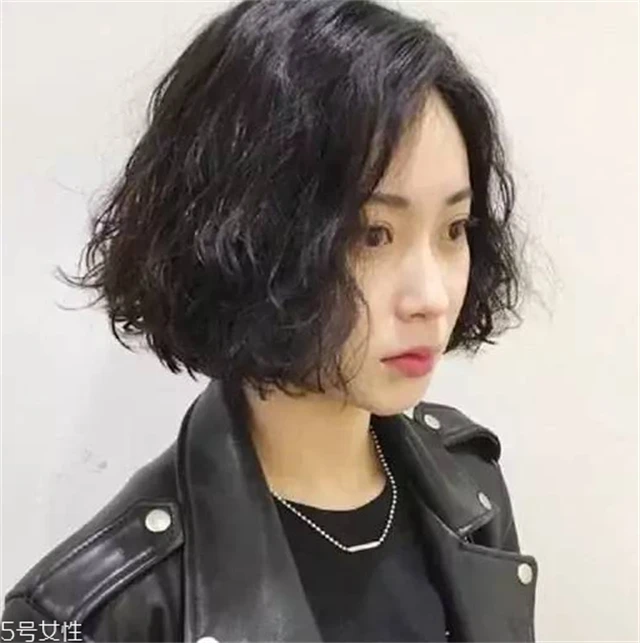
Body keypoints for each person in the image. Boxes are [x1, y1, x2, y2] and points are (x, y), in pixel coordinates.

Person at [1, 0, 539, 641]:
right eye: (371, 234)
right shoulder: (89, 612)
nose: (431, 296)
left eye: (453, 228)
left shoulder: (470, 489)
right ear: (247, 238)